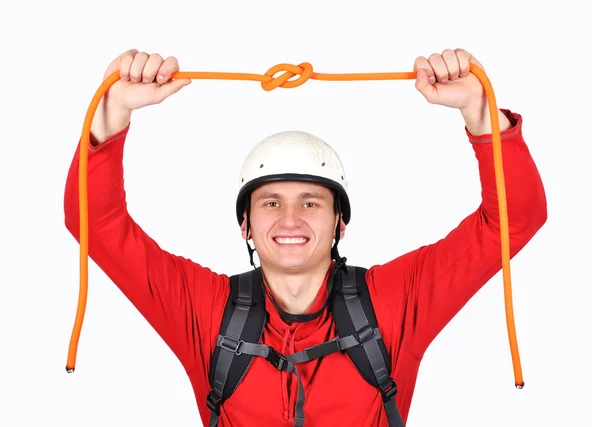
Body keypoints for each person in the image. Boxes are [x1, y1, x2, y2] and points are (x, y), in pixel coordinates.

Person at [64, 48, 547, 426]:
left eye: (311, 203)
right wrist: (113, 111)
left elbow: (512, 222)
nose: (290, 219)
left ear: (340, 223)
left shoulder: (394, 301)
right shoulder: (205, 309)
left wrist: (480, 111)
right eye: (270, 203)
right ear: (245, 226)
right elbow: (96, 228)